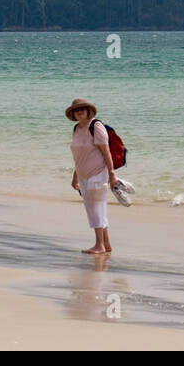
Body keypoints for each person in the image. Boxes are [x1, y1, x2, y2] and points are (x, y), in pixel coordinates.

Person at [66, 97, 115, 254]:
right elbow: (80, 156)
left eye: (82, 109)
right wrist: (75, 176)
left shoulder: (96, 126)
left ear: (88, 111)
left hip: (98, 172)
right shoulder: (77, 129)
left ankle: (99, 245)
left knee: (96, 208)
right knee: (93, 208)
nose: (79, 112)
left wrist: (112, 174)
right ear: (73, 114)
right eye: (76, 110)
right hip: (83, 174)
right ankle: (106, 245)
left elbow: (106, 152)